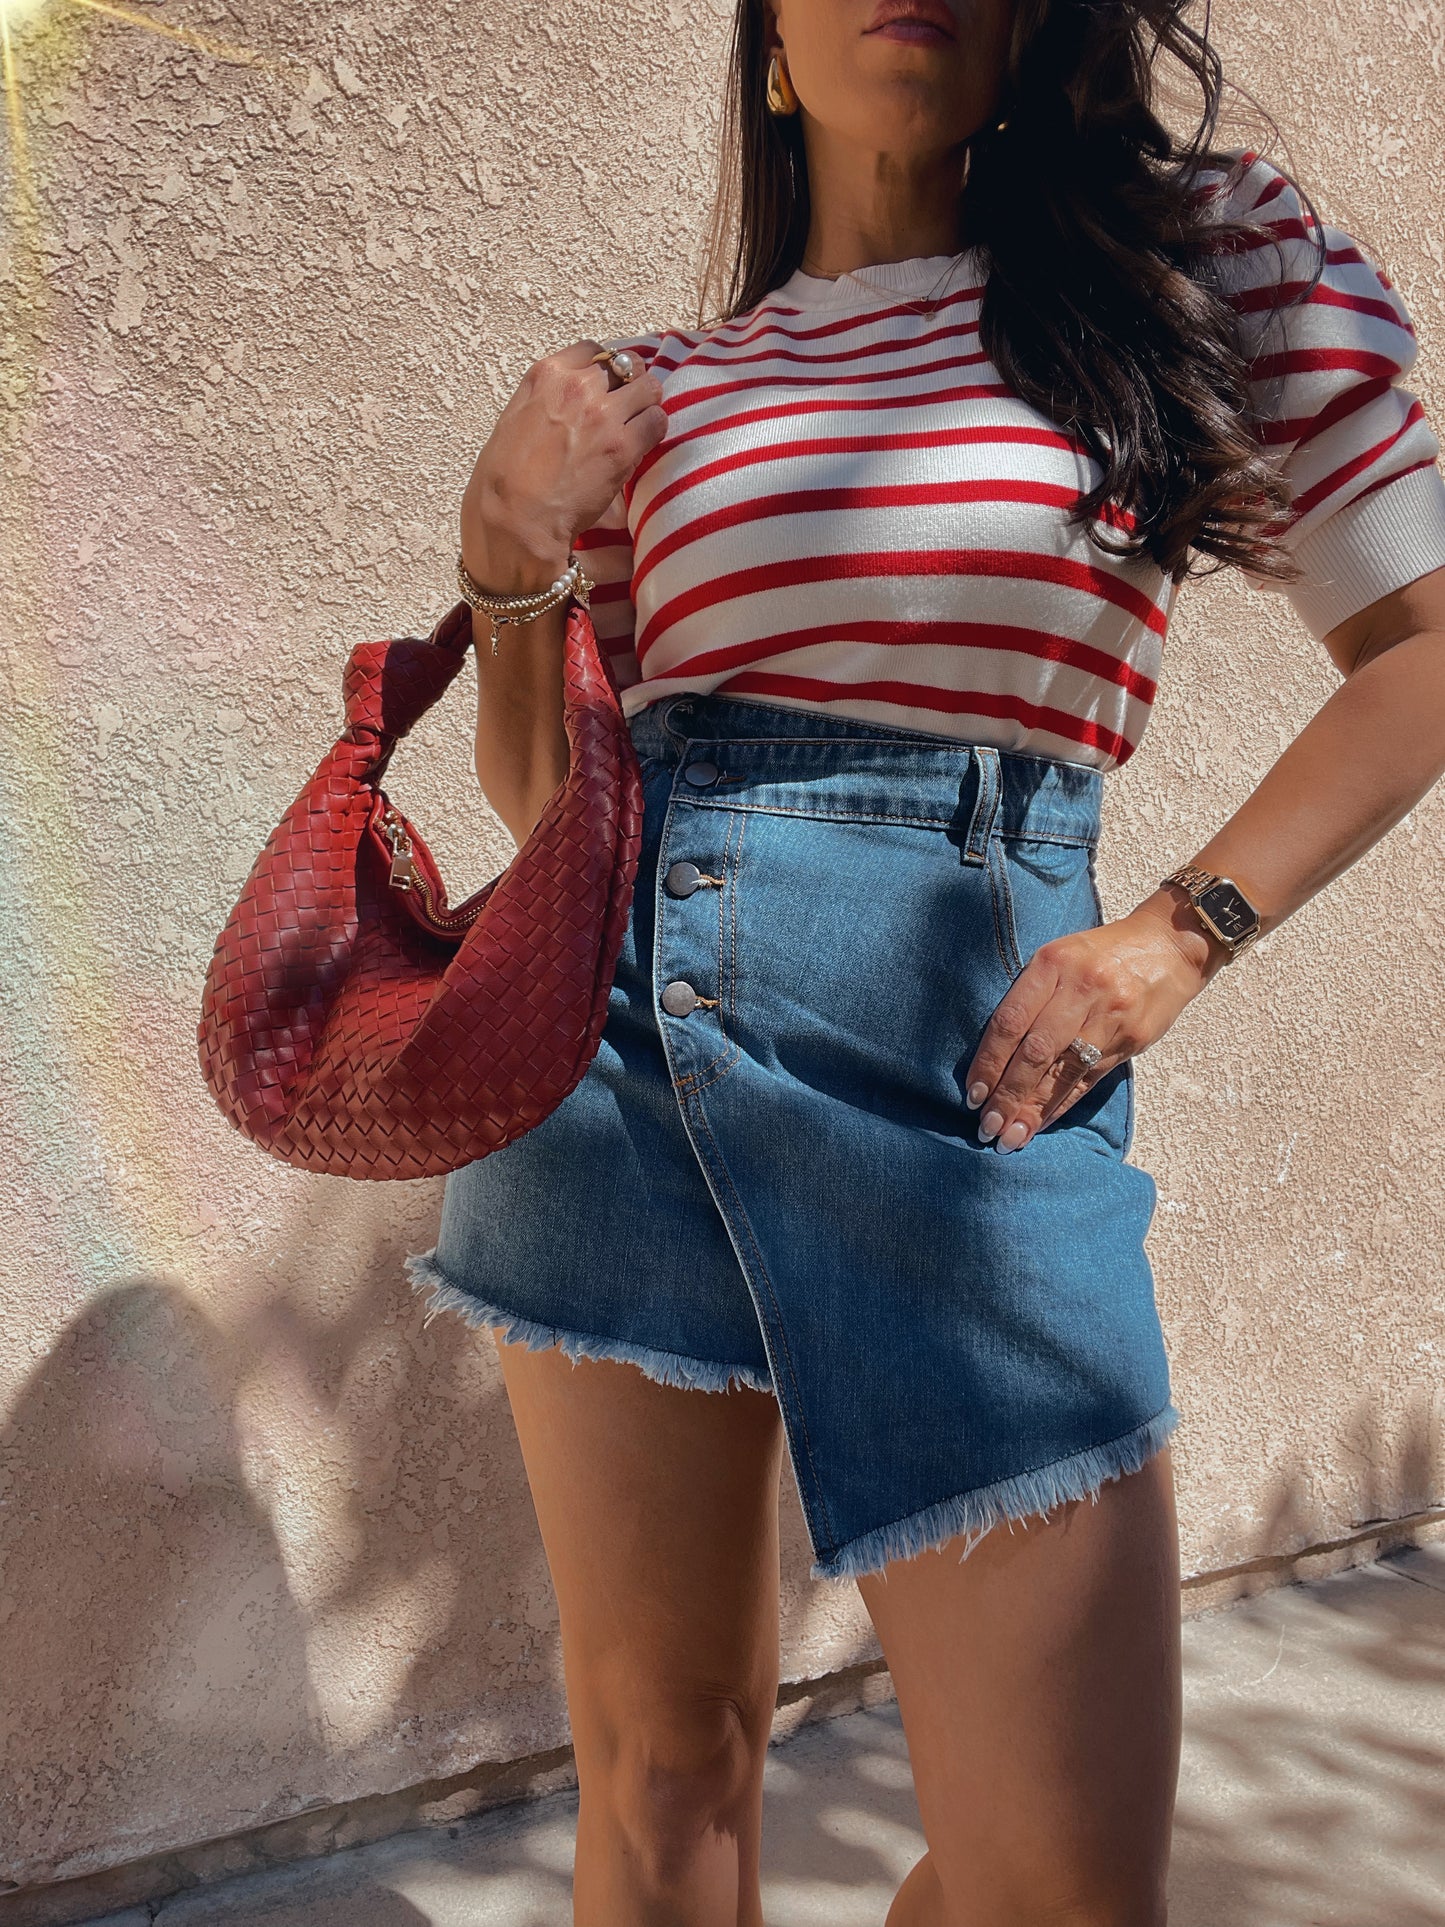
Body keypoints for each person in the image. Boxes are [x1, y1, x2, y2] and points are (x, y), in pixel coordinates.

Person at [406, 1, 1445, 1920]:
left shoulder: (1201, 258)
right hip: (609, 1063)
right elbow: (557, 808)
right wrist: (501, 545)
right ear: (770, 43)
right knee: (663, 1754)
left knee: (1057, 1882)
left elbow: (1424, 646)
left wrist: (1176, 936)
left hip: (961, 1073)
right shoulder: (659, 393)